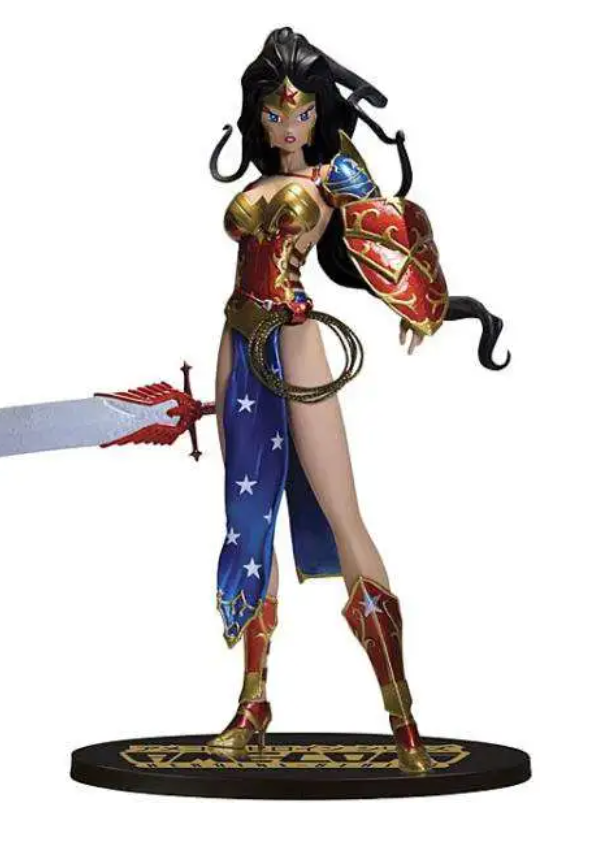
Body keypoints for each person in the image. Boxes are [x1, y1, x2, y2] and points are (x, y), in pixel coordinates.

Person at [207, 27, 508, 773]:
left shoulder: (334, 173)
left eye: (300, 112)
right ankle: (252, 704)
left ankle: (402, 715)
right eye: (274, 112)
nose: (287, 125)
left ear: (319, 112)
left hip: (295, 340)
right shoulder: (259, 180)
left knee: (344, 517)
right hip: (236, 341)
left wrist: (419, 303)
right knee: (249, 519)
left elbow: (387, 229)